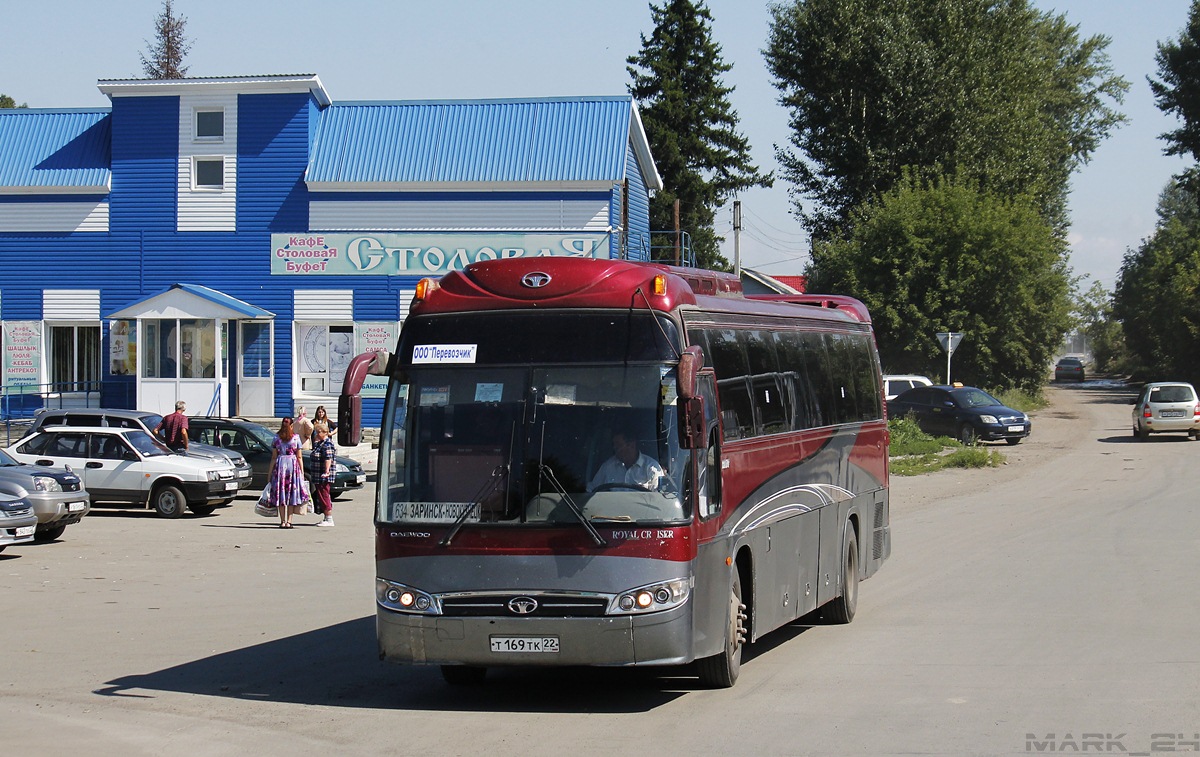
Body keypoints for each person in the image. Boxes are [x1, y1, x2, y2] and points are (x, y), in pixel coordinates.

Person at [587, 428, 665, 492]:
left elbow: (659, 498)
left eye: (618, 445)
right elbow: (591, 489)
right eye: (614, 445)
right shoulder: (608, 466)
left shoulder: (651, 468)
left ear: (631, 445)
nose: (615, 449)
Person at [267, 417, 310, 528]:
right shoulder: (296, 438)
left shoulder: (276, 438)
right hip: (292, 466)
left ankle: (282, 521)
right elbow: (299, 456)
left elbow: (273, 457)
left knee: (281, 494)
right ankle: (289, 521)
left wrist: (270, 473)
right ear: (291, 426)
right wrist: (302, 472)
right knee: (291, 493)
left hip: (280, 466)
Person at [309, 424, 337, 527]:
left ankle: (329, 518)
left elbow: (328, 458)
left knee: (324, 494)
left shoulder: (327, 443)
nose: (317, 434)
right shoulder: (320, 443)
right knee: (321, 495)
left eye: (318, 432)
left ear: (325, 432)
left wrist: (326, 471)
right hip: (317, 474)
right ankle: (325, 517)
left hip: (323, 475)